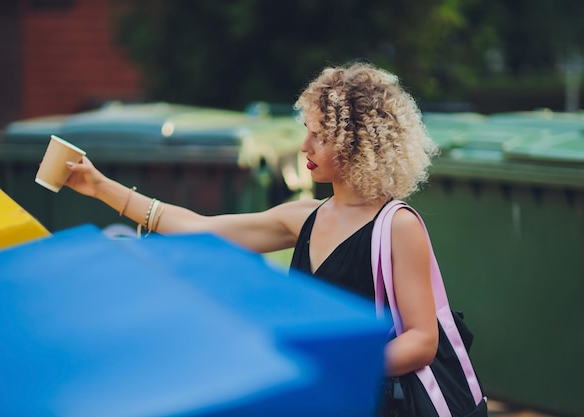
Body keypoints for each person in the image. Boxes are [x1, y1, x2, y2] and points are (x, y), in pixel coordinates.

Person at [64, 61, 441, 412]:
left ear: (357, 145)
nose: (304, 147)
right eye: (306, 132)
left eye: (320, 137)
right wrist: (100, 187)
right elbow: (200, 228)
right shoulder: (302, 217)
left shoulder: (397, 225)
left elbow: (423, 340)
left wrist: (339, 364)